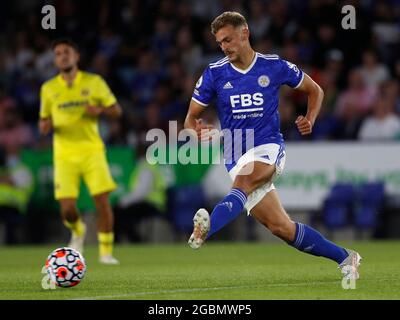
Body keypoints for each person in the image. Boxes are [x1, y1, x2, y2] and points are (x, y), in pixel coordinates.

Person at [184, 12, 361, 279]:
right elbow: (190, 118)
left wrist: (310, 118)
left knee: (242, 184)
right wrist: (194, 130)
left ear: (245, 34)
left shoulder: (274, 66)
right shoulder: (214, 73)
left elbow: (316, 90)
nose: (224, 47)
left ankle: (207, 228)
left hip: (268, 148)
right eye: (220, 43)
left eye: (228, 39)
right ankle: (346, 257)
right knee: (282, 228)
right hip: (235, 155)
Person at [38, 39, 122, 264]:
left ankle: (105, 252)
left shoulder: (94, 82)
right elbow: (43, 121)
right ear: (55, 60)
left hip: (92, 151)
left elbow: (116, 111)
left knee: (102, 202)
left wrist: (100, 110)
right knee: (67, 210)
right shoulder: (48, 89)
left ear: (76, 56)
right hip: (64, 155)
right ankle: (78, 229)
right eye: (57, 53)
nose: (62, 56)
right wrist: (45, 126)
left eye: (66, 52)